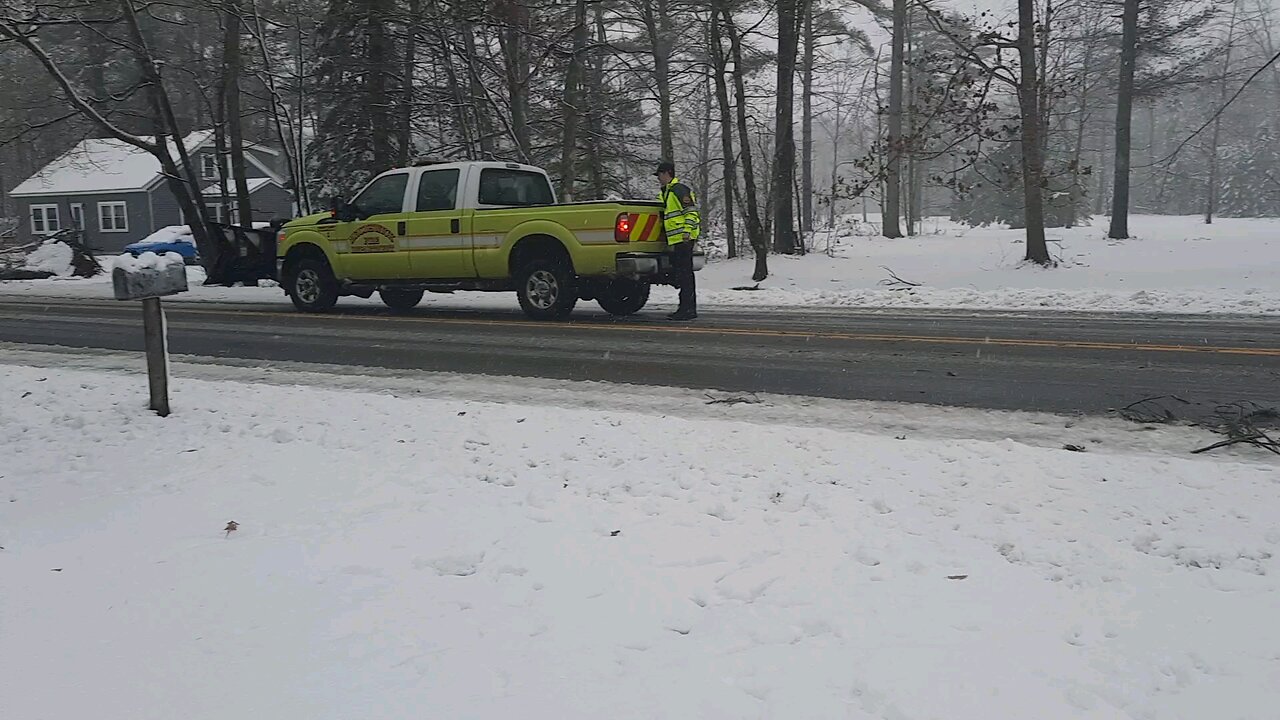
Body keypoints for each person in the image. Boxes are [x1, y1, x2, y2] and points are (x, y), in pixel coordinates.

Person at [655, 160, 700, 321]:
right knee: (682, 274)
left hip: (683, 239)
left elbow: (691, 212)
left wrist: (687, 232)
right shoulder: (667, 192)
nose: (658, 178)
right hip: (676, 239)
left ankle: (687, 309)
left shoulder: (679, 190)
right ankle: (686, 308)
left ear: (667, 173)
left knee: (685, 275)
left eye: (660, 174)